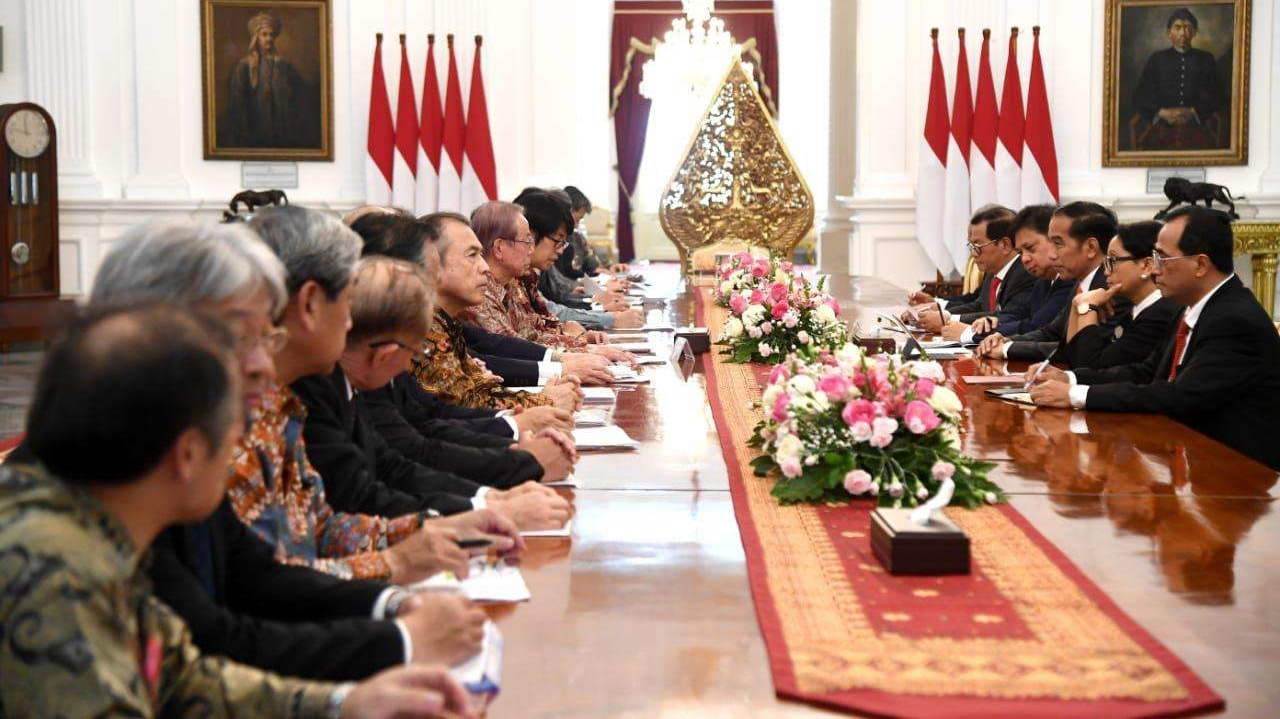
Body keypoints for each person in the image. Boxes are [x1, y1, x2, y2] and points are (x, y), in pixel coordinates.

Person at [65, 219, 494, 680]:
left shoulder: (241, 415)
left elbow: (260, 570)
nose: (261, 364)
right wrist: (396, 616)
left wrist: (395, 593)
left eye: (265, 338)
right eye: (244, 339)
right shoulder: (106, 497)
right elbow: (219, 639)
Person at [0, 304, 472, 717]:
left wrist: (342, 705)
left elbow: (186, 679)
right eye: (235, 429)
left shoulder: (107, 522)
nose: (241, 446)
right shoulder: (53, 569)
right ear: (188, 455)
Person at [1029, 206, 1280, 471]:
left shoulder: (1232, 319)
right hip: (1188, 453)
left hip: (1237, 470)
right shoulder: (1191, 307)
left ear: (1200, 264)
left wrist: (1077, 395)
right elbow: (1146, 372)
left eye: (1163, 259)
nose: (1155, 270)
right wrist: (1070, 379)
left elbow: (1180, 396)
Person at [350, 213, 576, 485]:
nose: (484, 267)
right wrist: (525, 439)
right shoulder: (383, 347)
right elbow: (415, 446)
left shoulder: (421, 327)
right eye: (472, 255)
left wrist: (517, 434)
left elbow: (428, 420)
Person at [412, 212, 604, 408]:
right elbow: (459, 403)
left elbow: (497, 344)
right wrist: (546, 394)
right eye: (472, 255)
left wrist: (566, 355)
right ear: (430, 263)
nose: (484, 267)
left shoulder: (445, 319)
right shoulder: (419, 328)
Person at [978, 202, 1129, 361]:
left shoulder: (1111, 289)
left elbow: (1079, 350)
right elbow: (1051, 332)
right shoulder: (1080, 284)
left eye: (1057, 244)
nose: (1051, 255)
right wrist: (1006, 340)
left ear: (1091, 247)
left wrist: (1007, 349)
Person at [1058, 221, 1182, 370]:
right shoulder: (1133, 311)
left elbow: (1089, 368)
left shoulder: (1159, 315)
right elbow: (1071, 359)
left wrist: (1088, 307)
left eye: (1113, 261)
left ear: (1147, 266)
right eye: (1106, 262)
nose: (1106, 272)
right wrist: (1077, 304)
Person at [909, 212, 1036, 343]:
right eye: (971, 246)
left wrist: (948, 319)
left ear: (1005, 245)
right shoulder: (994, 270)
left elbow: (1011, 316)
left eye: (978, 246)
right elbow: (979, 304)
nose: (973, 253)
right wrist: (937, 306)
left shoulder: (1025, 273)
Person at [974, 204, 1076, 343]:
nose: (1024, 259)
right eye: (1021, 252)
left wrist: (974, 333)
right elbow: (1019, 313)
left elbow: (1038, 325)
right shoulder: (1043, 280)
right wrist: (991, 322)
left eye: (1030, 248)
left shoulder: (1070, 281)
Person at [1131, 7, 1225, 150]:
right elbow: (1139, 96)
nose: (1182, 33)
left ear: (1194, 32)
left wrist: (1193, 112)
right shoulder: (1156, 59)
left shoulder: (1206, 59)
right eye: (1178, 27)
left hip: (1197, 128)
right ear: (1169, 33)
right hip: (1161, 128)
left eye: (1187, 28)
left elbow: (1219, 96)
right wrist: (1162, 113)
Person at [222, 11, 319, 150]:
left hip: (281, 132)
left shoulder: (283, 65)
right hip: (253, 133)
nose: (269, 38)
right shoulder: (244, 67)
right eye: (264, 34)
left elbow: (302, 92)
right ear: (256, 37)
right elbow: (237, 104)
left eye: (272, 35)